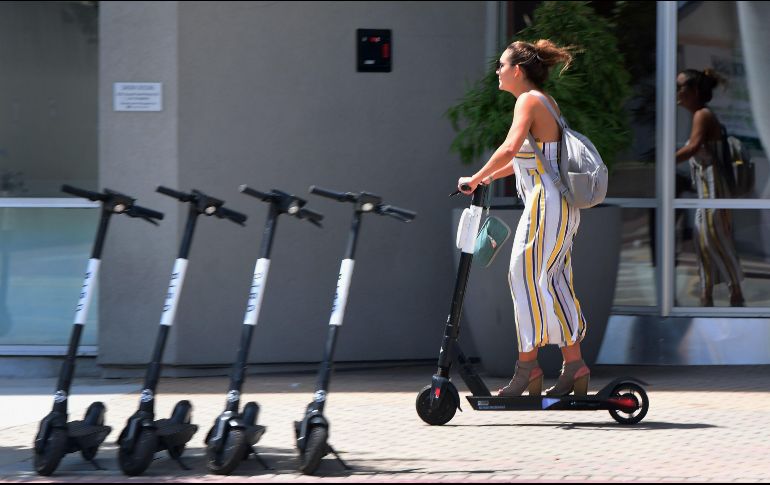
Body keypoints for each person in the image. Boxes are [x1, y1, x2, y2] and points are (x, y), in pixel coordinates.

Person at [457, 39, 589, 397]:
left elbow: (509, 148)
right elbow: (523, 160)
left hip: (545, 205)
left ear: (518, 70)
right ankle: (574, 365)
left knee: (523, 274)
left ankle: (527, 370)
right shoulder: (544, 102)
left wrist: (475, 175)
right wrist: (482, 178)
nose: (497, 72)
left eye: (501, 65)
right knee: (555, 279)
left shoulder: (528, 100)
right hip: (558, 206)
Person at [675, 68, 745, 307]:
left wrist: (665, 160)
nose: (676, 92)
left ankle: (735, 291)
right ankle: (707, 294)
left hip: (715, 190)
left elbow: (693, 147)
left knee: (715, 238)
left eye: (680, 86)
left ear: (694, 91)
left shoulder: (702, 115)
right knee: (702, 240)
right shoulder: (700, 115)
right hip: (706, 191)